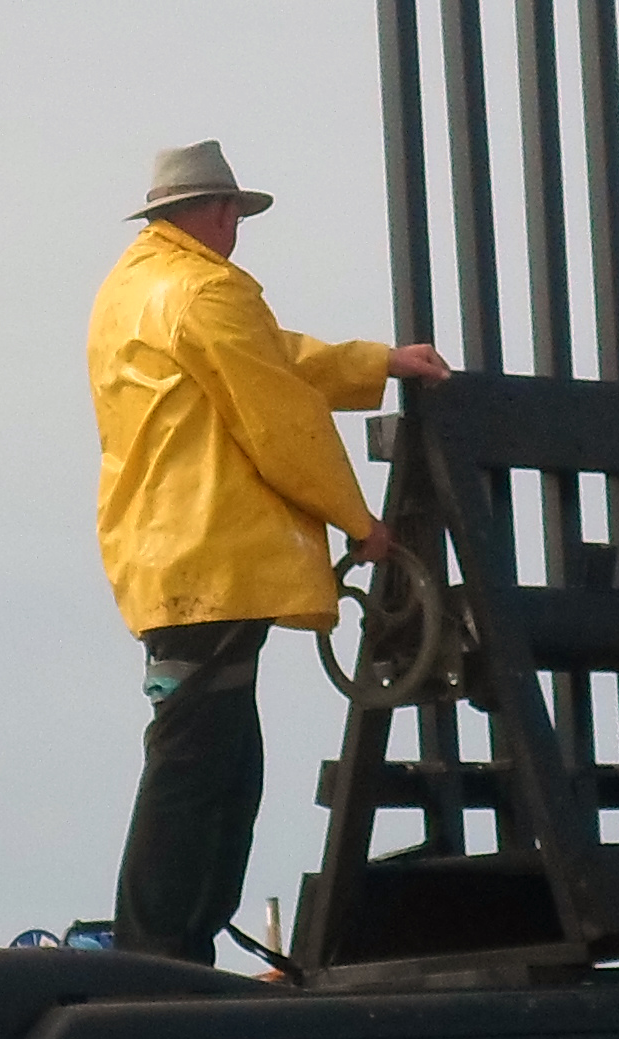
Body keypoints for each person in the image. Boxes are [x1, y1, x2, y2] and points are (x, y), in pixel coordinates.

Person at [87, 141, 452, 965]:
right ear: (217, 213)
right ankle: (157, 953)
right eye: (235, 216)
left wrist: (377, 364)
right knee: (197, 765)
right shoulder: (206, 290)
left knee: (218, 758)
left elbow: (269, 359)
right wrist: (359, 521)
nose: (237, 230)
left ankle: (177, 947)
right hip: (210, 558)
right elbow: (276, 417)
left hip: (167, 555)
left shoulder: (136, 288)